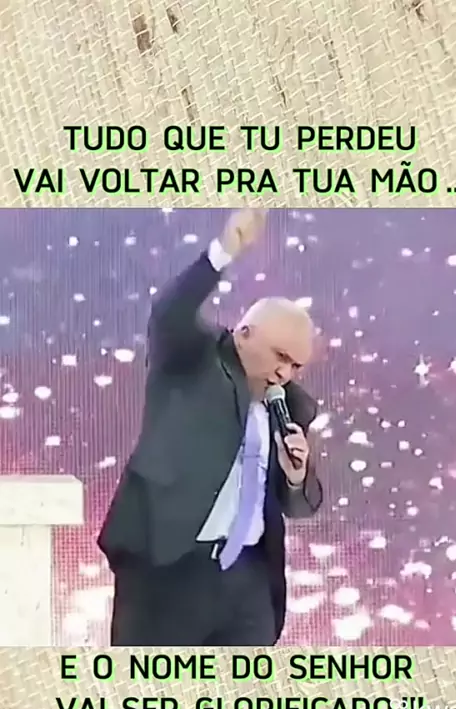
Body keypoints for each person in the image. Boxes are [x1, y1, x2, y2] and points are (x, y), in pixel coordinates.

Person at [97, 209, 323, 646]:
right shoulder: (193, 359)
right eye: (280, 356)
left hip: (248, 581)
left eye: (296, 365)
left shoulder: (289, 407)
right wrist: (223, 252)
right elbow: (169, 313)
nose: (285, 373)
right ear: (244, 333)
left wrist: (296, 476)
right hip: (168, 571)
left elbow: (301, 504)